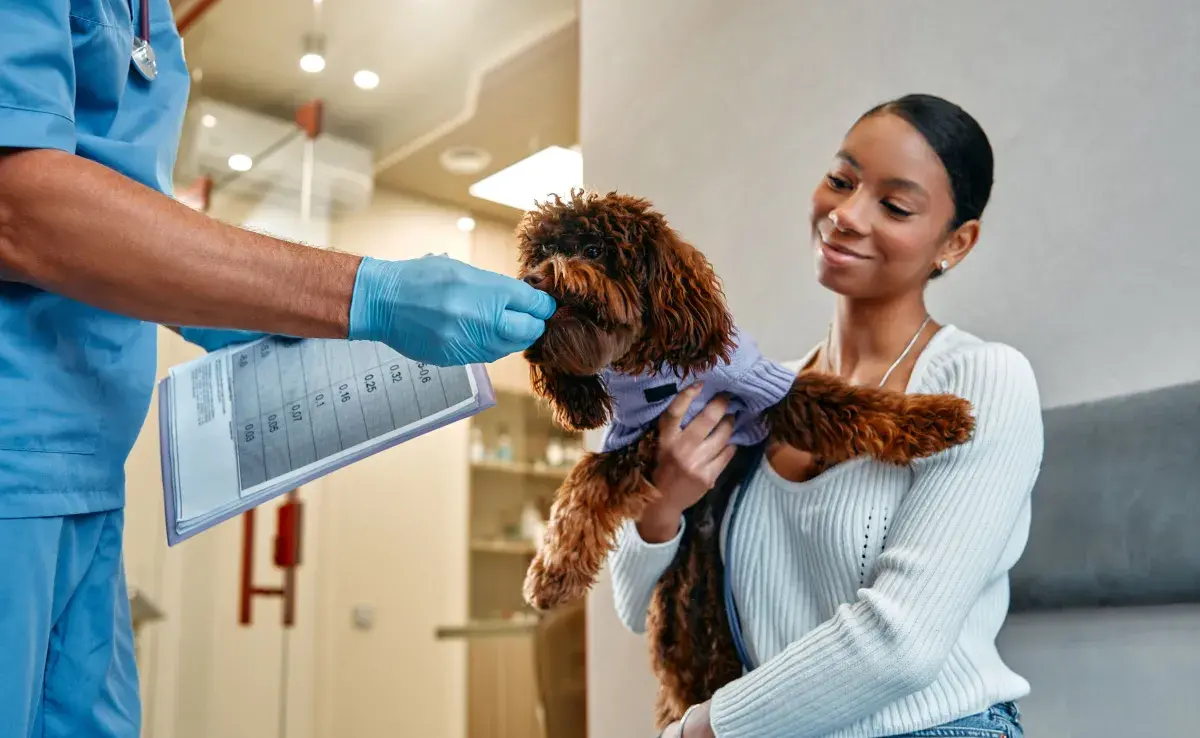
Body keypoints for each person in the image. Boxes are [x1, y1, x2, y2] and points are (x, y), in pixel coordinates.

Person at [0, 2, 554, 736]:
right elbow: (20, 207)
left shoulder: (150, 21)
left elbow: (120, 226)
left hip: (91, 481)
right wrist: (364, 291)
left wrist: (251, 312)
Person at [609, 93, 1044, 738]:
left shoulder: (979, 379)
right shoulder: (755, 395)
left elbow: (901, 641)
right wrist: (660, 507)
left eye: (894, 206)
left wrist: (702, 730)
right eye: (840, 181)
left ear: (956, 242)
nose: (845, 215)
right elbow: (640, 611)